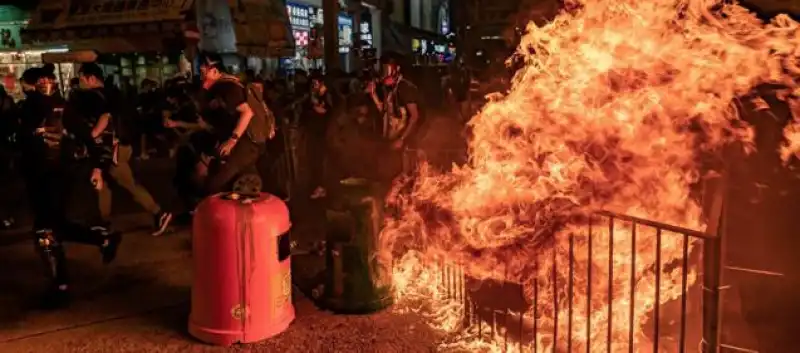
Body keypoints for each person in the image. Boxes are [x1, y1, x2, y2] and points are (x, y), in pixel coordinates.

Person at [18, 67, 121, 308]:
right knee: (57, 226)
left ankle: (60, 285)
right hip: (40, 176)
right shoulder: (31, 109)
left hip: (56, 176)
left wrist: (98, 167)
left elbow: (89, 139)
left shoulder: (59, 109)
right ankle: (103, 239)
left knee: (46, 231)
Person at [92, 71, 173, 236]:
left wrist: (90, 135)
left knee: (128, 183)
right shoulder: (116, 96)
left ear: (91, 77)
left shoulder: (103, 98)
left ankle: (159, 213)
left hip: (115, 150)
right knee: (105, 184)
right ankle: (102, 221)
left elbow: (102, 123)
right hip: (122, 146)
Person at [197, 52, 270, 194]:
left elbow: (247, 112)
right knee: (243, 182)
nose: (200, 75)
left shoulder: (228, 87)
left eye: (203, 71)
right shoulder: (220, 87)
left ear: (214, 71)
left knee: (214, 184)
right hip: (246, 144)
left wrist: (232, 140)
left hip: (245, 143)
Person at [368, 52, 423, 151]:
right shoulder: (388, 88)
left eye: (386, 69)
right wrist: (373, 95)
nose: (383, 73)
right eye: (382, 69)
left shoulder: (405, 87)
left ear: (397, 69)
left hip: (407, 144)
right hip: (390, 141)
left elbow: (415, 116)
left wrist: (402, 139)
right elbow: (385, 112)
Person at [302, 72, 333, 199]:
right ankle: (317, 186)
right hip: (315, 134)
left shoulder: (327, 96)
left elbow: (327, 112)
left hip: (323, 135)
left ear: (322, 84)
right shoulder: (315, 96)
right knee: (314, 161)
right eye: (312, 84)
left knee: (320, 162)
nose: (313, 86)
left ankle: (321, 188)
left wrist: (316, 106)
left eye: (315, 83)